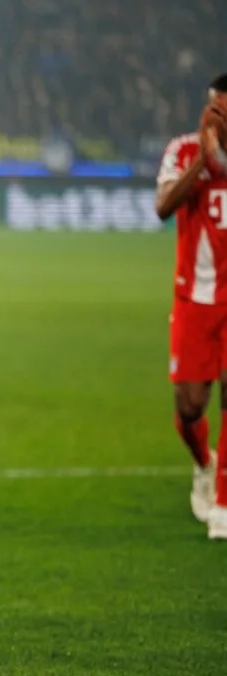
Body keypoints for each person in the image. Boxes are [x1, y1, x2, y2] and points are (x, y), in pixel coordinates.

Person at [155, 73, 227, 540]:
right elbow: (163, 206)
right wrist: (204, 160)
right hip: (194, 300)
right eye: (212, 107)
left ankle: (223, 501)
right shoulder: (183, 150)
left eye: (222, 109)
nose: (214, 116)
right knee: (190, 407)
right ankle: (204, 463)